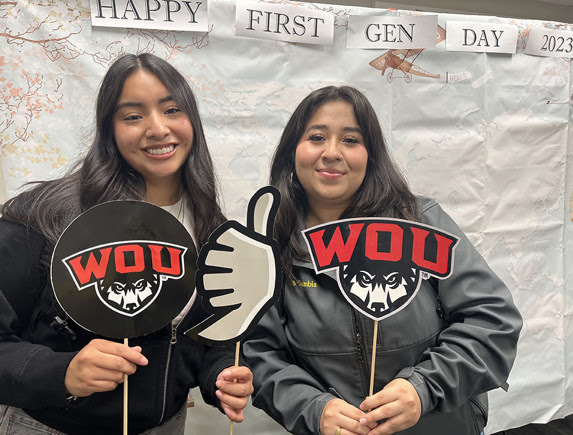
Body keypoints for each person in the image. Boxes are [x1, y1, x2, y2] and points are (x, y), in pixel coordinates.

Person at [243, 85, 523, 435]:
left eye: (350, 140)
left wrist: (423, 388)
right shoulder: (271, 243)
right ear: (291, 151)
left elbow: (493, 321)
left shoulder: (420, 221)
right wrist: (313, 408)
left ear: (371, 154)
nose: (331, 152)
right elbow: (259, 353)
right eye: (316, 137)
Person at [0, 53, 253, 434]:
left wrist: (220, 375)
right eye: (133, 116)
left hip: (166, 426)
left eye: (172, 110)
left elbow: (206, 337)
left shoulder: (212, 227)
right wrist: (61, 372)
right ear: (109, 129)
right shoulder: (42, 215)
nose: (157, 128)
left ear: (192, 122)